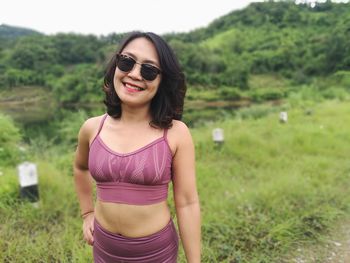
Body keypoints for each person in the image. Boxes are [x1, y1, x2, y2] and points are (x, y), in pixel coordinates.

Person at [74, 31, 201, 263]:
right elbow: (80, 168)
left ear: (163, 81)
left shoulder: (175, 133)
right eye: (127, 62)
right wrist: (87, 213)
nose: (134, 74)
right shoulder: (92, 128)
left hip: (155, 253)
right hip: (104, 251)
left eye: (149, 70)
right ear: (116, 65)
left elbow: (187, 202)